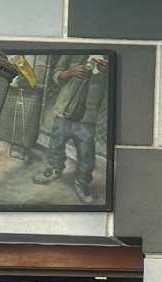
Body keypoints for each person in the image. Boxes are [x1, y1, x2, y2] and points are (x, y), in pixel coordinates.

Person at [32, 54, 108, 202]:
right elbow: (56, 73)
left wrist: (104, 70)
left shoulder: (106, 54)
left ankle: (82, 182)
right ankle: (54, 169)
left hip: (87, 115)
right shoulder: (73, 52)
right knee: (55, 144)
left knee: (86, 154)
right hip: (64, 109)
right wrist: (69, 72)